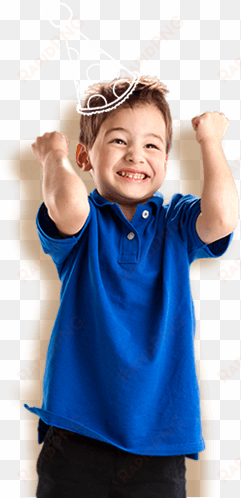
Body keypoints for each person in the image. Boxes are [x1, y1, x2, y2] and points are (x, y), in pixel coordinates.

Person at [25, 75, 238, 498]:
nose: (136, 155)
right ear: (86, 156)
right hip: (75, 434)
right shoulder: (85, 225)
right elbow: (65, 204)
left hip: (160, 438)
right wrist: (53, 155)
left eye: (152, 145)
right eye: (119, 141)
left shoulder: (176, 222)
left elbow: (222, 219)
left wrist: (210, 141)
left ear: (166, 158)